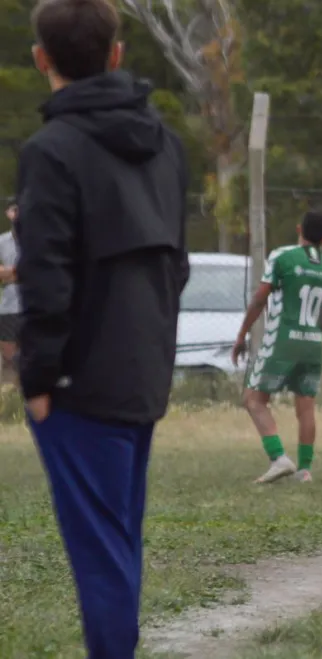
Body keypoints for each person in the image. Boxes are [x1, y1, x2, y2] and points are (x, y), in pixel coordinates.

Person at [15, 0, 190, 656]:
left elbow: (46, 276)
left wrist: (38, 374)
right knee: (117, 541)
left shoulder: (50, 151)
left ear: (42, 60)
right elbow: (178, 265)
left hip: (76, 383)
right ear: (116, 55)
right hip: (142, 372)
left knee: (101, 555)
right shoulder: (167, 145)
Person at [232, 211, 322, 485]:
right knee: (305, 407)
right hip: (312, 343)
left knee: (254, 399)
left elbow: (260, 298)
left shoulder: (282, 256)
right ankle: (305, 470)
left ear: (298, 229)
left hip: (282, 339)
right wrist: (315, 335)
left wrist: (242, 334)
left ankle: (278, 457)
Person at [0, 204, 21, 381]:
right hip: (9, 307)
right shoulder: (2, 241)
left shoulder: (39, 239)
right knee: (9, 359)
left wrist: (9, 273)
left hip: (34, 306)